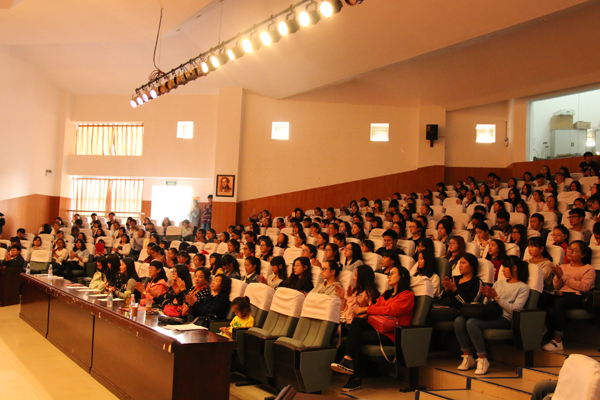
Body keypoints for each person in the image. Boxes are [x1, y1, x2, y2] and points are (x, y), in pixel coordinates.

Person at [330, 265, 414, 392]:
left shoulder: (407, 295)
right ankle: (350, 365)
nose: (389, 276)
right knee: (356, 325)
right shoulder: (387, 294)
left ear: (402, 276)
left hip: (390, 333)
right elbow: (378, 307)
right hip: (376, 327)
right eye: (389, 274)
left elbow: (391, 310)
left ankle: (354, 372)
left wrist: (366, 309)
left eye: (392, 273)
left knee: (356, 335)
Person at [454, 256, 530, 375]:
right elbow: (487, 304)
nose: (502, 270)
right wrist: (488, 297)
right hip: (492, 313)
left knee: (472, 323)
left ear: (514, 268)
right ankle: (467, 356)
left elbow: (515, 310)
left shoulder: (523, 288)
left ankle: (482, 358)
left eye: (505, 267)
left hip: (504, 318)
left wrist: (497, 297)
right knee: (459, 320)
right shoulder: (498, 283)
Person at [543, 241, 595, 352]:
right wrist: (558, 276)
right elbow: (556, 286)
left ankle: (558, 340)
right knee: (542, 297)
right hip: (561, 294)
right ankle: (540, 332)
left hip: (578, 296)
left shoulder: (588, 269)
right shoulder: (563, 267)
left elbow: (584, 287)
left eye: (574, 250)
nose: (570, 252)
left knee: (559, 302)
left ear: (583, 255)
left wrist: (563, 276)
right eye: (569, 249)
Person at [428, 253, 482, 325]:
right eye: (460, 263)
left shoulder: (476, 282)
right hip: (441, 305)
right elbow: (439, 297)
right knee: (421, 308)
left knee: (427, 313)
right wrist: (446, 290)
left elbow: (470, 304)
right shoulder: (455, 279)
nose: (460, 266)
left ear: (472, 266)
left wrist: (455, 290)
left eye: (463, 263)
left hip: (457, 310)